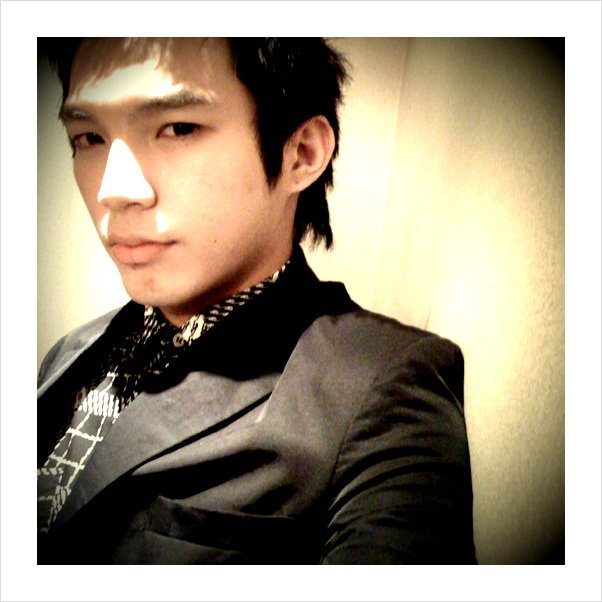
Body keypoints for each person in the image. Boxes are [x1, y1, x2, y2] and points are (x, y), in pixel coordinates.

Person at [37, 37, 476, 564]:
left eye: (178, 128)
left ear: (301, 153)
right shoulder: (71, 351)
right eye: (88, 137)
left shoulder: (384, 392)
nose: (114, 190)